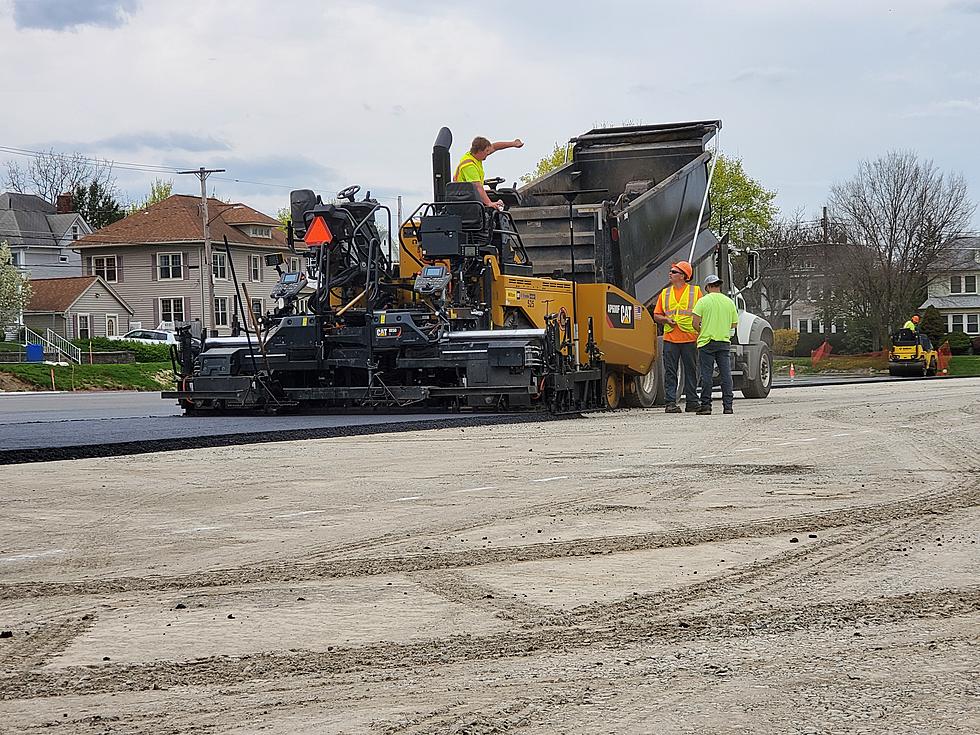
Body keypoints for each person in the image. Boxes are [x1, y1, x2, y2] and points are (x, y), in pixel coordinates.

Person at [652, 260, 701, 413]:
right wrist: (666, 320)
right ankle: (670, 403)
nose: (670, 274)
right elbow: (656, 315)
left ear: (683, 276)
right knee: (670, 372)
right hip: (671, 339)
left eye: (674, 272)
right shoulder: (665, 293)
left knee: (691, 371)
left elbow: (701, 314)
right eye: (671, 271)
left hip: (689, 338)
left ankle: (692, 401)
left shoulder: (695, 292)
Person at [691, 274, 739, 415]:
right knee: (726, 375)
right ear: (719, 286)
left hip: (707, 342)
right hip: (723, 342)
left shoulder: (703, 301)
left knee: (706, 375)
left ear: (707, 287)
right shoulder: (729, 302)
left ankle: (706, 406)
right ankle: (728, 406)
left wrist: (702, 329)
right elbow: (734, 323)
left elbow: (694, 322)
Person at [454, 136, 523, 211]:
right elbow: (477, 187)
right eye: (486, 151)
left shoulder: (475, 156)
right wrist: (490, 203)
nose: (488, 153)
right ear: (480, 151)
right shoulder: (469, 165)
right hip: (464, 200)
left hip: (471, 195)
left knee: (505, 196)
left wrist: (513, 143)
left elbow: (494, 147)